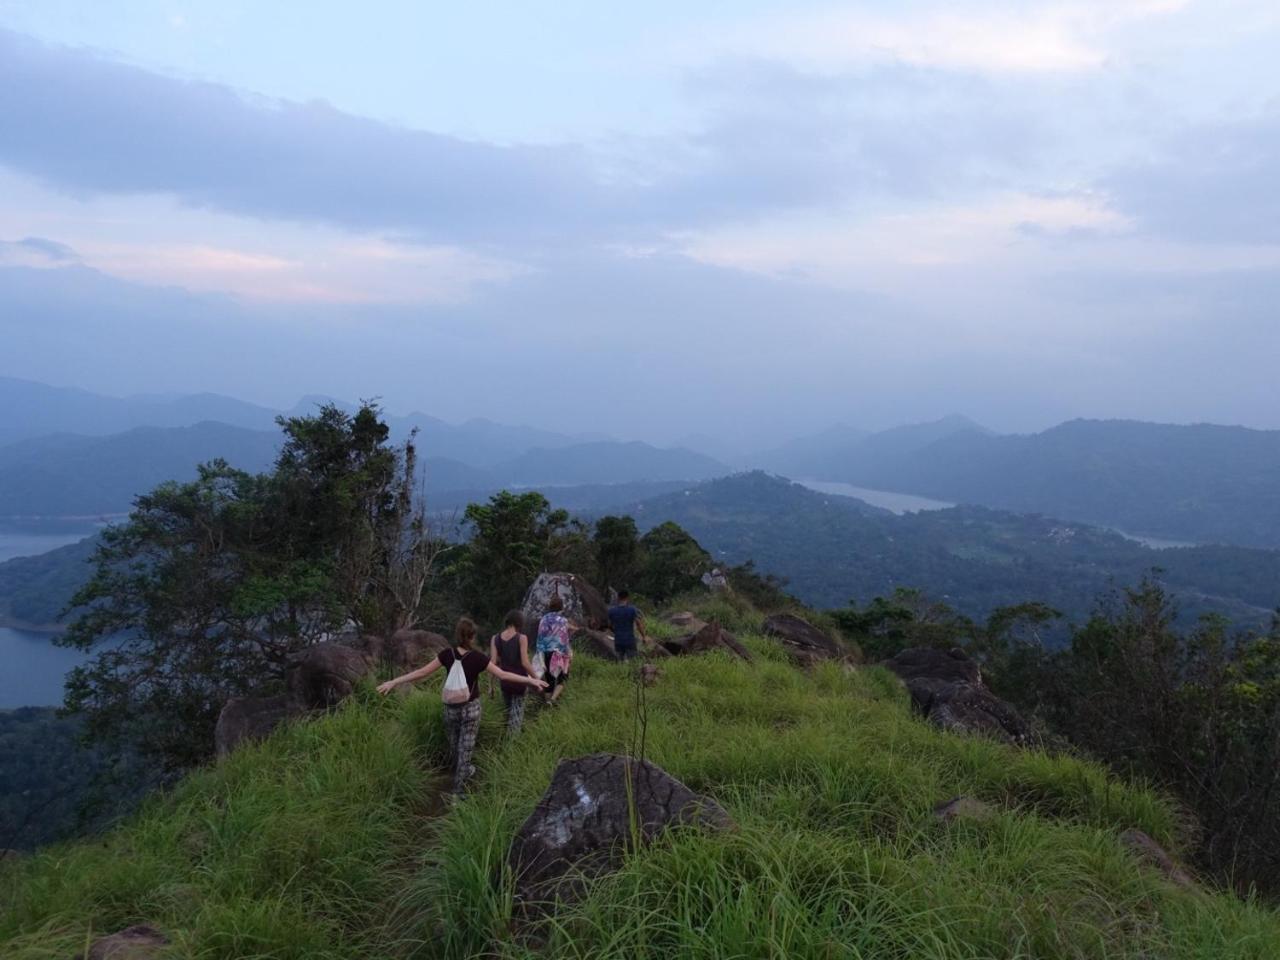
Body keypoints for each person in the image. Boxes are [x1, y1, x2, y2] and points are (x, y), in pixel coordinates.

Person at [377, 617, 546, 794]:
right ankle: (459, 794)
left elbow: (422, 672)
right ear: (472, 637)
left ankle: (463, 771)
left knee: (456, 750)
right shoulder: (478, 658)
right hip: (471, 709)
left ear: (457, 635)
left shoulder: (446, 655)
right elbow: (503, 675)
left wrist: (394, 681)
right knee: (465, 752)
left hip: (451, 709)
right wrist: (532, 680)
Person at [488, 609, 534, 735]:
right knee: (516, 718)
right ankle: (512, 745)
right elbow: (525, 663)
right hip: (520, 682)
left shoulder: (495, 638)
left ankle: (504, 742)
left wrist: (490, 686)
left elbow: (492, 664)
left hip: (505, 681)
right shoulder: (522, 638)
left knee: (508, 715)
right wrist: (536, 679)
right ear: (519, 622)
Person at [535, 594, 576, 704]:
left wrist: (540, 655)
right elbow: (564, 639)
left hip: (546, 653)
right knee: (562, 679)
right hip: (559, 653)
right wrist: (569, 653)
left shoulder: (543, 620)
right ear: (561, 607)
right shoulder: (562, 621)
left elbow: (540, 638)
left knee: (549, 681)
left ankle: (547, 705)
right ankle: (552, 700)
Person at [607, 589, 646, 661]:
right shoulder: (632, 610)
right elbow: (638, 624)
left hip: (618, 640)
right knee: (633, 662)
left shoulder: (611, 611)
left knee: (620, 662)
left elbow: (609, 625)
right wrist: (643, 636)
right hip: (630, 640)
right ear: (627, 598)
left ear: (618, 598)